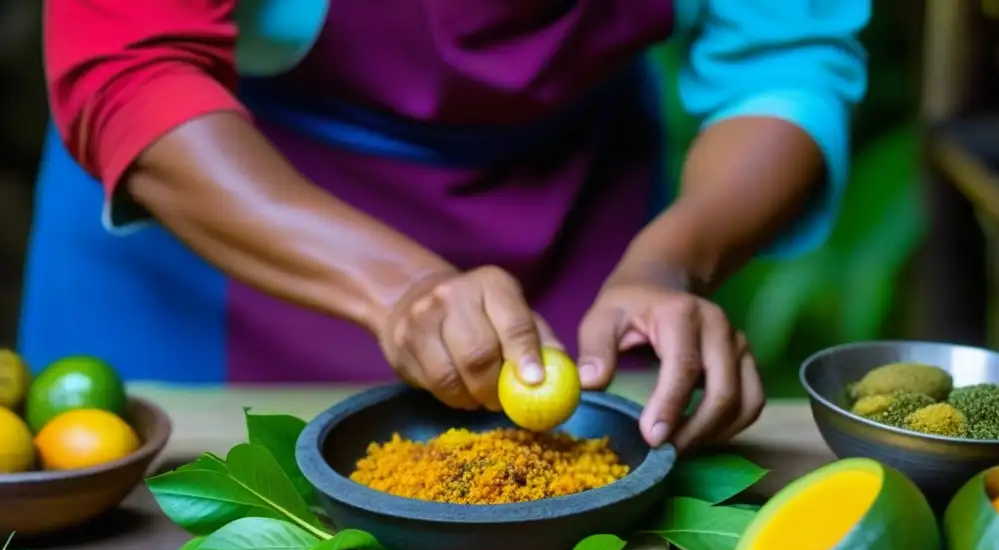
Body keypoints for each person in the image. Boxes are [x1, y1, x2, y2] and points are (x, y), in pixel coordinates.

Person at [23, 0, 868, 452]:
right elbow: (139, 60)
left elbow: (784, 59)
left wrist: (669, 264)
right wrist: (404, 291)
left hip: (576, 212)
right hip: (217, 224)